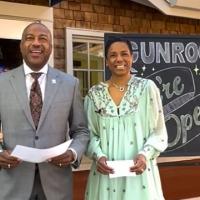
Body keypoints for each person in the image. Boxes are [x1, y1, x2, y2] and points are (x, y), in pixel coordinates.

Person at [0, 21, 89, 200]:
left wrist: (72, 153)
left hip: (56, 185)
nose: (36, 43)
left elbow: (81, 131)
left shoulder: (70, 84)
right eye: (29, 38)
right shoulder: (2, 83)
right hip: (13, 184)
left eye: (43, 38)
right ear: (21, 45)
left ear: (50, 46)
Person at [84, 38, 168, 200]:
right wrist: (98, 155)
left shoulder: (147, 88)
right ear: (107, 61)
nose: (119, 59)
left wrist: (145, 155)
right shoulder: (94, 94)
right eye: (113, 55)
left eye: (124, 54)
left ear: (132, 57)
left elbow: (159, 131)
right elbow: (89, 133)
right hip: (105, 177)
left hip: (139, 176)